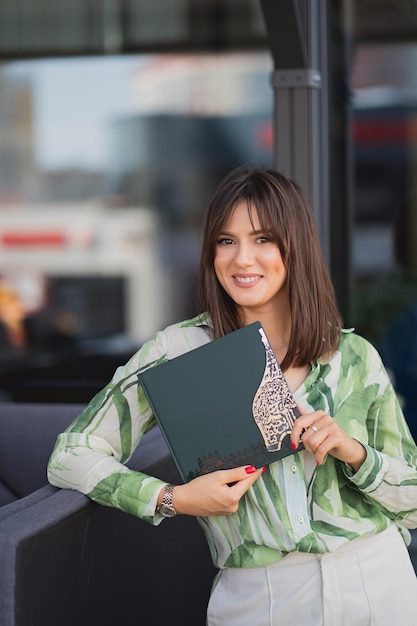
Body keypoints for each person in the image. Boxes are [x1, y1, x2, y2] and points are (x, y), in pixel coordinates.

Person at [48, 166, 417, 625]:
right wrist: (173, 498)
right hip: (261, 598)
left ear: (294, 246)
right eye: (226, 240)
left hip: (378, 582)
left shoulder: (353, 355)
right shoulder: (177, 352)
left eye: (263, 238)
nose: (243, 259)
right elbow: (70, 454)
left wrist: (355, 452)